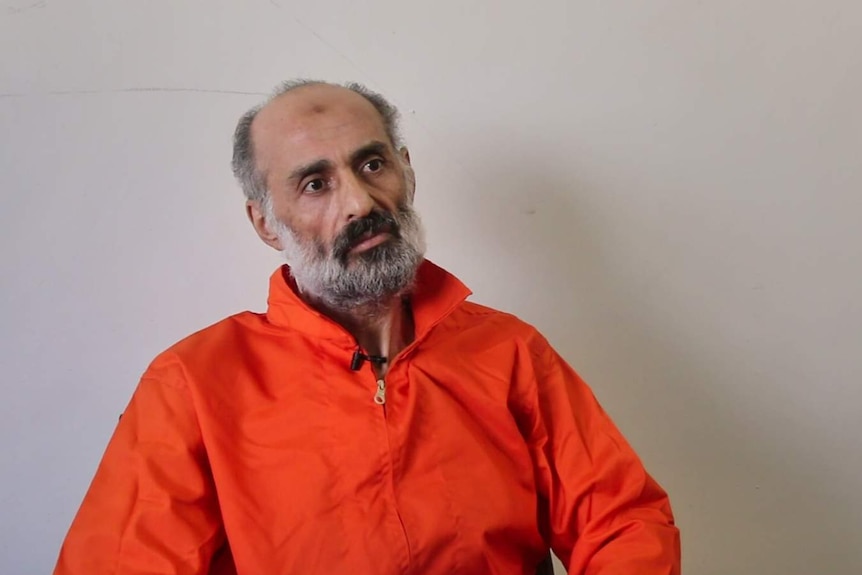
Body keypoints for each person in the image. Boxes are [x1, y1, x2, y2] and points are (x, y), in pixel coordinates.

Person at [53, 80, 680, 575]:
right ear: (266, 224)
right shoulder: (192, 384)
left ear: (406, 171)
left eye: (372, 164)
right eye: (315, 183)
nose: (358, 202)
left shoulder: (510, 351)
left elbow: (624, 522)